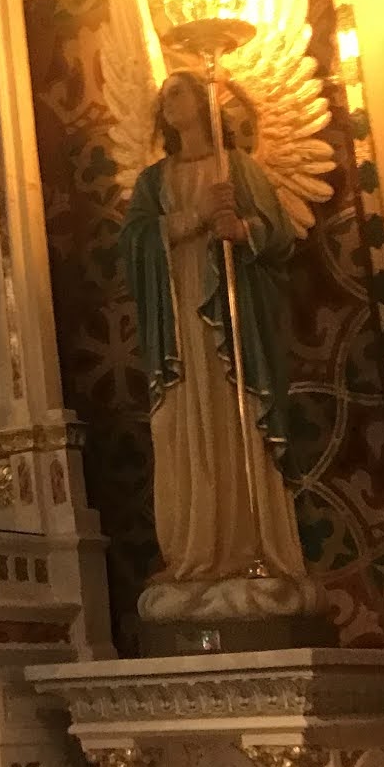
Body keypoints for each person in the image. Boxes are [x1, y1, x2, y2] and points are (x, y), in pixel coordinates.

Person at [120, 69, 316, 617]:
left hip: (232, 329)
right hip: (179, 330)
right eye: (164, 97)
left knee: (237, 423)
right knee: (183, 429)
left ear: (205, 103)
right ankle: (196, 553)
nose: (168, 100)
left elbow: (277, 235)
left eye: (178, 91)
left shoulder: (240, 169)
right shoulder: (152, 182)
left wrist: (242, 230)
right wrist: (192, 218)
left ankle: (254, 551)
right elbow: (132, 246)